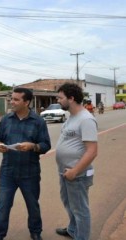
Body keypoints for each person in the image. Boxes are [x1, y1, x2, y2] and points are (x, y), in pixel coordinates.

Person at [0, 87, 51, 240]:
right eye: (12, 99)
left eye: (16, 99)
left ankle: (36, 232)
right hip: (8, 171)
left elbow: (46, 145)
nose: (12, 102)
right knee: (3, 205)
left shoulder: (38, 121)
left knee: (33, 205)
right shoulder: (6, 120)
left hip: (30, 172)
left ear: (27, 102)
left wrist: (33, 146)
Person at [55, 83, 98, 240]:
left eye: (60, 97)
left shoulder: (86, 119)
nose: (58, 100)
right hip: (65, 172)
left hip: (77, 174)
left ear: (71, 98)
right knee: (69, 204)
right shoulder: (72, 117)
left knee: (80, 209)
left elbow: (92, 151)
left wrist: (75, 171)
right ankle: (73, 230)